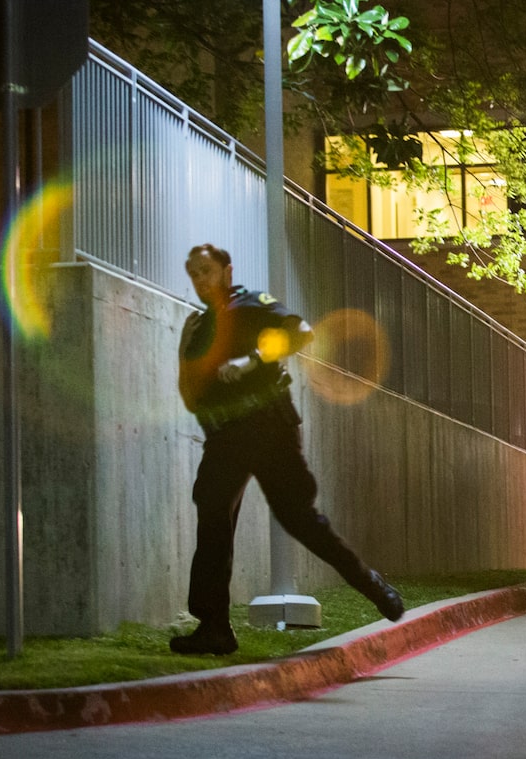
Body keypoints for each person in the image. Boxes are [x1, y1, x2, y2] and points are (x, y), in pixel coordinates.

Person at [173, 244, 404, 655]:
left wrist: (252, 360)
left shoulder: (252, 302)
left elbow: (301, 332)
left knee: (299, 519)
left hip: (268, 427)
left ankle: (371, 584)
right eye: (192, 273)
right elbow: (192, 400)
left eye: (205, 271)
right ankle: (214, 627)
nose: (199, 280)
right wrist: (183, 356)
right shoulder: (199, 327)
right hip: (225, 437)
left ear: (227, 271)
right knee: (211, 512)